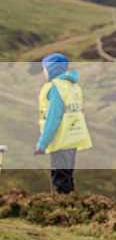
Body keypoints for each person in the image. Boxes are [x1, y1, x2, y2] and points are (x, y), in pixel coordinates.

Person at [35, 53, 93, 194]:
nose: (43, 71)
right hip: (72, 138)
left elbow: (53, 119)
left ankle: (64, 205)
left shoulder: (56, 88)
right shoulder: (72, 86)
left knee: (60, 180)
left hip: (60, 140)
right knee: (67, 176)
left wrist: (42, 144)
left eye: (44, 68)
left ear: (51, 69)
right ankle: (71, 203)